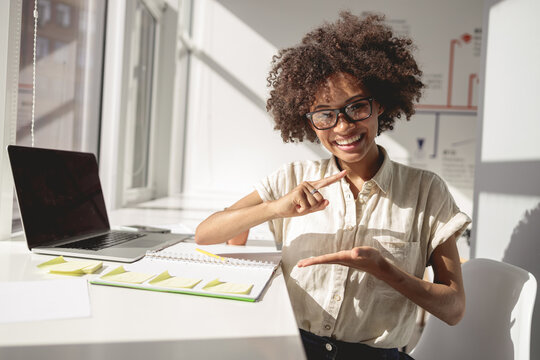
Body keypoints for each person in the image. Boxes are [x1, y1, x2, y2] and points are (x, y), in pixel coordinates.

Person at [195, 12, 471, 360]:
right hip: (293, 348)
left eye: (356, 107)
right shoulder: (292, 178)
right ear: (308, 121)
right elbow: (206, 234)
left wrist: (387, 271)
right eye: (325, 114)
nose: (342, 127)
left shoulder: (426, 191)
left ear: (380, 104)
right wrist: (275, 208)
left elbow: (454, 309)